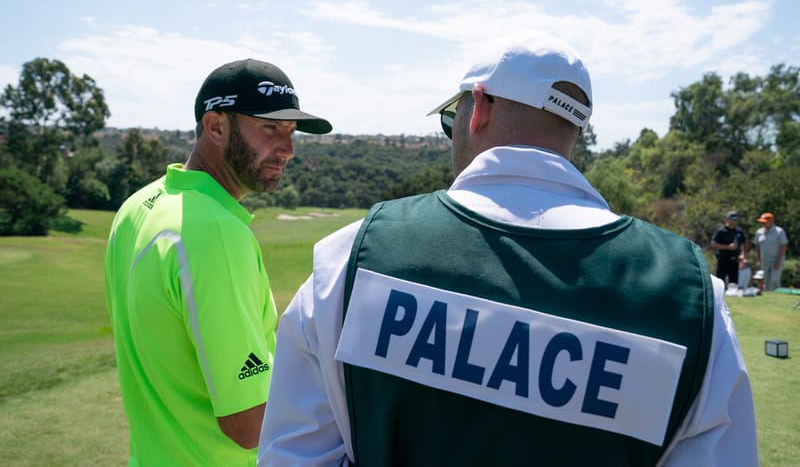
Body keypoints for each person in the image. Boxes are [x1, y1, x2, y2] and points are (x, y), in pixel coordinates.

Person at [257, 37, 758, 466]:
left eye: (453, 116)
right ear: (574, 130)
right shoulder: (693, 297)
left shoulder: (350, 256)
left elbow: (293, 453)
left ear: (480, 106)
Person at [104, 58, 332, 465]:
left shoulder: (137, 207)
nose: (288, 150)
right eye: (270, 128)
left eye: (291, 132)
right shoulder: (216, 234)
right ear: (216, 127)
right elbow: (247, 423)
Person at [710, 211, 748, 287]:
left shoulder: (739, 231)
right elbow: (713, 244)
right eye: (733, 219)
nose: (735, 221)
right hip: (723, 259)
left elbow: (745, 242)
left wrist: (743, 255)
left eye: (736, 219)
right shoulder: (721, 231)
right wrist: (728, 247)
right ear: (727, 219)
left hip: (735, 260)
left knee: (734, 282)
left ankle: (733, 295)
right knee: (720, 280)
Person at [754, 212, 789, 291]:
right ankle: (768, 296)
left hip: (776, 260)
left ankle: (776, 296)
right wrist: (758, 260)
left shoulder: (779, 231)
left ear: (771, 221)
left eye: (764, 222)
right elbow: (757, 246)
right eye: (761, 222)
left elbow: (784, 246)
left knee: (774, 280)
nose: (762, 224)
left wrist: (779, 260)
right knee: (765, 280)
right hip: (764, 260)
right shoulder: (759, 232)